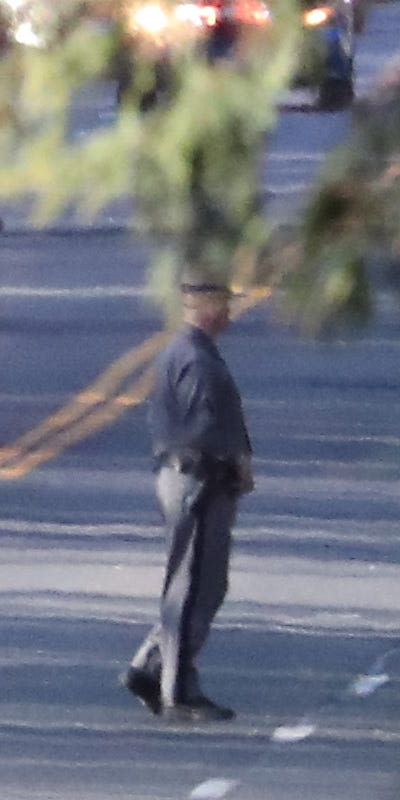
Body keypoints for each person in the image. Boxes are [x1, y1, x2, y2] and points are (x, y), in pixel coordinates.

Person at [123, 275, 253, 722]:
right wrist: (235, 463)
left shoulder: (189, 351)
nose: (229, 313)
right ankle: (177, 691)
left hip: (193, 479)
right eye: (223, 304)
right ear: (206, 307)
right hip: (198, 480)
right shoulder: (195, 359)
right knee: (190, 589)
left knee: (206, 585)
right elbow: (202, 430)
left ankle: (148, 667)